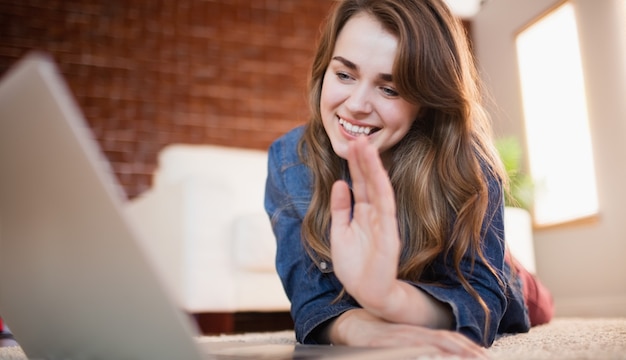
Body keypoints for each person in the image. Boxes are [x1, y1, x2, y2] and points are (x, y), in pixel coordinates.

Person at [264, 0, 553, 356]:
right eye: (344, 74)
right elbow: (312, 300)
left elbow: (481, 299)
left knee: (538, 304)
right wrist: (358, 326)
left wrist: (389, 297)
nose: (356, 104)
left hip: (499, 273)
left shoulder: (468, 161)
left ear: (425, 102)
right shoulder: (289, 160)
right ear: (325, 69)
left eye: (390, 88)